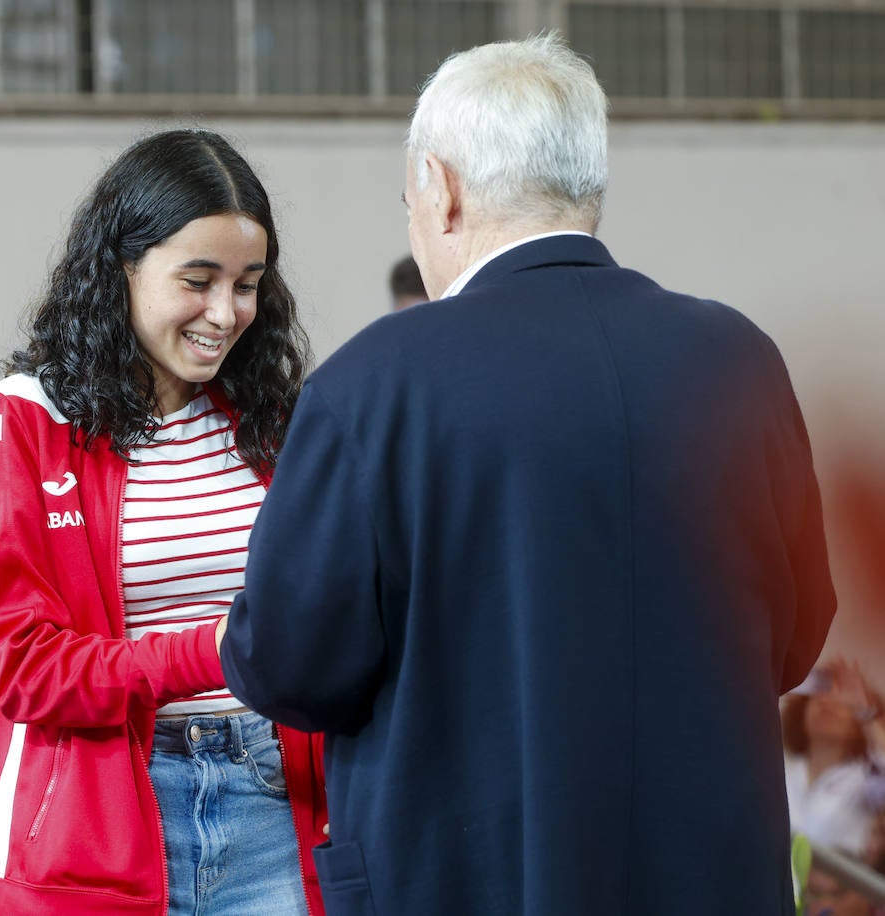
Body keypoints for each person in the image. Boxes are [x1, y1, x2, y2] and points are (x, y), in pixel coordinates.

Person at [217, 33, 836, 915]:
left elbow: (290, 666)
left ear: (442, 189)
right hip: (712, 876)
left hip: (465, 879)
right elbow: (798, 634)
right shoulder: (738, 360)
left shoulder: (373, 385)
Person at [0, 128, 325, 915]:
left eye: (248, 283)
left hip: (274, 800)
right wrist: (218, 652)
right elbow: (24, 669)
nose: (225, 314)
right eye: (197, 280)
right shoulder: (26, 422)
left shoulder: (278, 421)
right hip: (102, 820)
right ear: (122, 267)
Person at [784, 659, 885, 857]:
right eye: (820, 692)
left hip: (827, 885)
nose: (826, 701)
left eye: (841, 700)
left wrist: (865, 712)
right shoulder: (781, 764)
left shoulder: (866, 780)